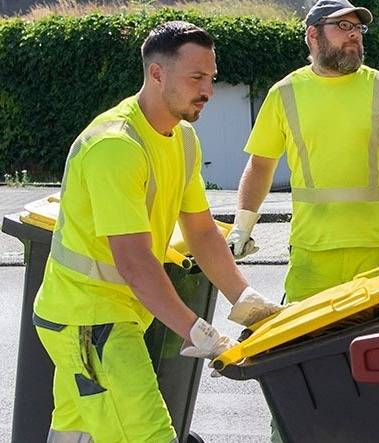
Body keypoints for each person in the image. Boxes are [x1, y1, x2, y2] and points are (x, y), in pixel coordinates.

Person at [32, 21, 282, 442]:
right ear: (157, 74)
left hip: (105, 317)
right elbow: (134, 261)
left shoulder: (182, 139)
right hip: (90, 320)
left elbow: (201, 231)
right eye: (196, 78)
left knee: (74, 434)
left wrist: (245, 299)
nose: (208, 90)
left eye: (211, 78)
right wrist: (196, 329)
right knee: (149, 436)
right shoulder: (116, 146)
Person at [228, 0, 379, 304]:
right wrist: (242, 227)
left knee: (375, 348)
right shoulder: (284, 93)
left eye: (358, 27)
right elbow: (260, 165)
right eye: (342, 26)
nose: (354, 34)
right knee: (304, 347)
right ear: (313, 35)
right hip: (312, 249)